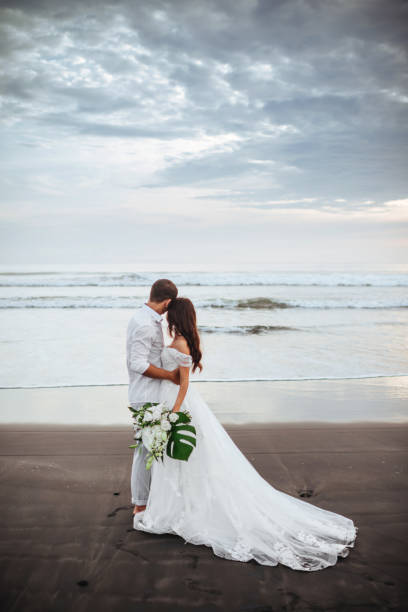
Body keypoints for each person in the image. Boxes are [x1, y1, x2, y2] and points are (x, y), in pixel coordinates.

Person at [133, 297, 358, 570]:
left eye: (170, 315)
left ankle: (181, 508)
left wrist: (174, 413)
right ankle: (176, 505)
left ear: (176, 317)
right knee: (182, 460)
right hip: (168, 400)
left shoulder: (180, 344)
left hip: (177, 403)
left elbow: (183, 384)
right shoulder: (182, 339)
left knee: (191, 458)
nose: (166, 318)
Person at [127, 278, 180, 516]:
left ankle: (148, 500)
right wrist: (169, 375)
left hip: (150, 394)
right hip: (146, 395)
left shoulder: (146, 318)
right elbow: (137, 362)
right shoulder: (145, 324)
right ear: (167, 301)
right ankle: (140, 504)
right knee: (145, 451)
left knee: (150, 449)